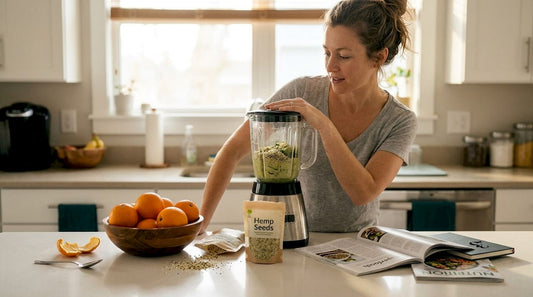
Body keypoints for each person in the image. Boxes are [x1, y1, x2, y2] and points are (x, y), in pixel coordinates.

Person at [199, 0, 417, 234]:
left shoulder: (399, 120)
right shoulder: (301, 92)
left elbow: (363, 192)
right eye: (327, 53)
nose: (331, 66)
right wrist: (202, 223)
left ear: (378, 58)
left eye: (343, 56)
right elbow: (231, 152)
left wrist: (323, 124)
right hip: (291, 239)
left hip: (356, 245)